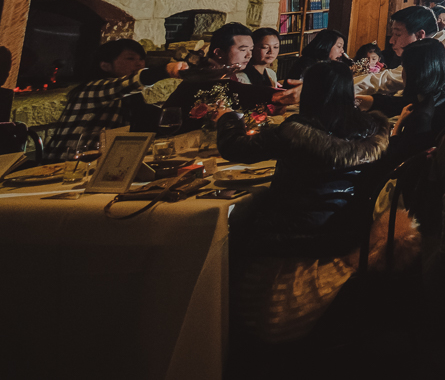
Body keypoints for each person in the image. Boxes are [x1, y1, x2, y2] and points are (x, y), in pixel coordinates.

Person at [211, 60, 395, 343]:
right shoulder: (374, 129)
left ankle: (216, 322)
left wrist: (228, 118)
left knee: (233, 222)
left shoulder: (297, 130)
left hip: (291, 232)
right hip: (350, 227)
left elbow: (236, 148)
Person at [43, 39, 189, 159]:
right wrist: (166, 70)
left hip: (99, 164)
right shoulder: (93, 89)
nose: (140, 64)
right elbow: (130, 83)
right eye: (130, 58)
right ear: (105, 65)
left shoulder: (129, 96)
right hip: (64, 165)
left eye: (142, 59)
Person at [356, 6, 445, 121]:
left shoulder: (434, 53)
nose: (391, 40)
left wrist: (344, 86)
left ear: (419, 35)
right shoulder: (442, 39)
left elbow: (387, 80)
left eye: (397, 34)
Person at [164, 23, 278, 131]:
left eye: (251, 50)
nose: (249, 55)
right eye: (243, 50)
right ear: (218, 53)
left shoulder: (232, 74)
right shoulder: (203, 79)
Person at [386, 38, 445, 164]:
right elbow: (404, 102)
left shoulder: (422, 116)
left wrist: (398, 126)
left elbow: (396, 158)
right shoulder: (444, 93)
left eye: (404, 67)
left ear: (417, 71)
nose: (402, 72)